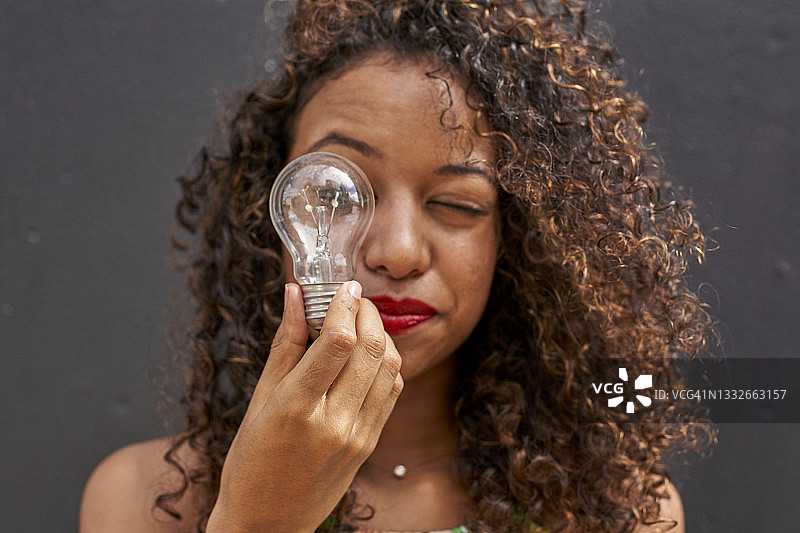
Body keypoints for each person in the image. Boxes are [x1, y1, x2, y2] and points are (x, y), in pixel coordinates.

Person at [80, 0, 717, 531]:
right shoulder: (145, 500)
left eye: (456, 203)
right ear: (268, 211)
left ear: (518, 242)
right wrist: (258, 517)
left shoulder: (626, 512)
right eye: (334, 193)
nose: (397, 252)